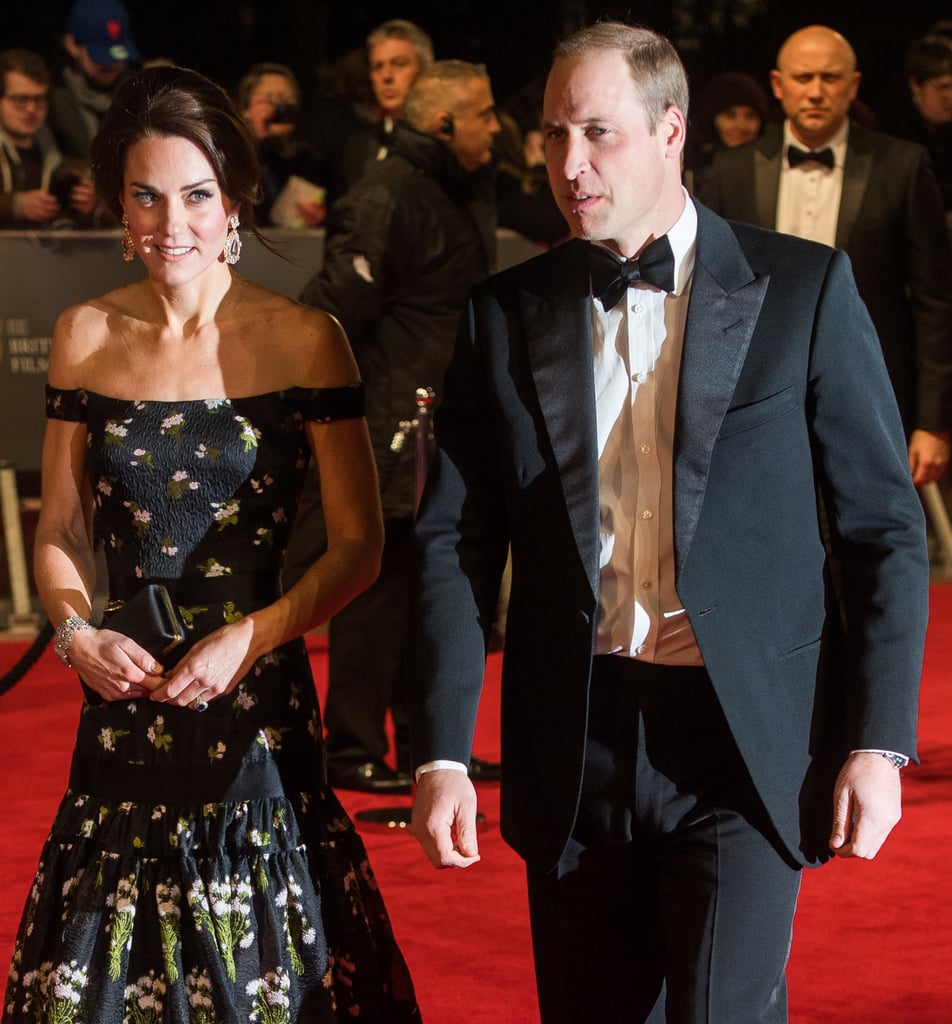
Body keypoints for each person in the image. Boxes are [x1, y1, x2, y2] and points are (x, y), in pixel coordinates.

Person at [407, 21, 929, 1023]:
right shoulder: (501, 314)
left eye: (597, 133)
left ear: (670, 130)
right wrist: (438, 751)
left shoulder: (803, 291)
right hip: (575, 737)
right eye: (554, 135)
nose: (569, 165)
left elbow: (881, 531)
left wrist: (879, 742)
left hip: (740, 740)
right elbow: (452, 540)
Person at [3, 64, 420, 1022]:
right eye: (145, 196)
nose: (170, 223)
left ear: (234, 199)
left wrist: (255, 635)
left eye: (195, 195)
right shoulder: (84, 332)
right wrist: (76, 638)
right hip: (122, 695)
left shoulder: (308, 339)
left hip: (257, 698)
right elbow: (61, 529)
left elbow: (358, 545)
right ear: (118, 203)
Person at [295, 59, 500, 794]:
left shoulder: (456, 188)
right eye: (485, 113)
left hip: (437, 424)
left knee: (428, 591)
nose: (497, 125)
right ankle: (350, 748)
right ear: (444, 124)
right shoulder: (387, 194)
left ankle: (429, 745)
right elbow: (332, 313)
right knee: (376, 596)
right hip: (391, 427)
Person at [701, 25, 952, 488]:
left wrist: (933, 421)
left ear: (853, 85)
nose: (815, 91)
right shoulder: (731, 171)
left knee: (868, 545)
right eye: (803, 78)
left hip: (874, 391)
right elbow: (709, 292)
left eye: (830, 78)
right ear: (778, 85)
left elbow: (935, 300)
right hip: (755, 395)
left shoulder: (904, 166)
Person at [333, 19, 434, 199]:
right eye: (377, 66)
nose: (386, 76)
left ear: (425, 68)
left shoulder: (446, 142)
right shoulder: (357, 147)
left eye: (399, 63)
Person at [0, 48, 97, 226]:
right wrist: (15, 206)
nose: (31, 109)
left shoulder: (64, 152)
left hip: (52, 253)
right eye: (20, 100)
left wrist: (94, 206)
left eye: (39, 99)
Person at [237, 61, 327, 227]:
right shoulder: (233, 155)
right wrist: (261, 135)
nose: (278, 107)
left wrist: (316, 215)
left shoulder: (307, 158)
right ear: (246, 108)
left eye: (285, 99)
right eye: (269, 99)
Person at [47, 0, 140, 162]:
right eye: (100, 55)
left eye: (118, 55)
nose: (110, 63)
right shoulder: (49, 101)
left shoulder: (141, 96)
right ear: (71, 45)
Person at [876, 33, 952, 209]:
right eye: (943, 87)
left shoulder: (945, 128)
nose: (950, 96)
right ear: (915, 84)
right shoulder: (891, 127)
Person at [683, 70, 769, 194]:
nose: (740, 126)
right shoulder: (691, 169)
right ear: (712, 120)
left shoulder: (771, 170)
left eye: (750, 116)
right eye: (730, 115)